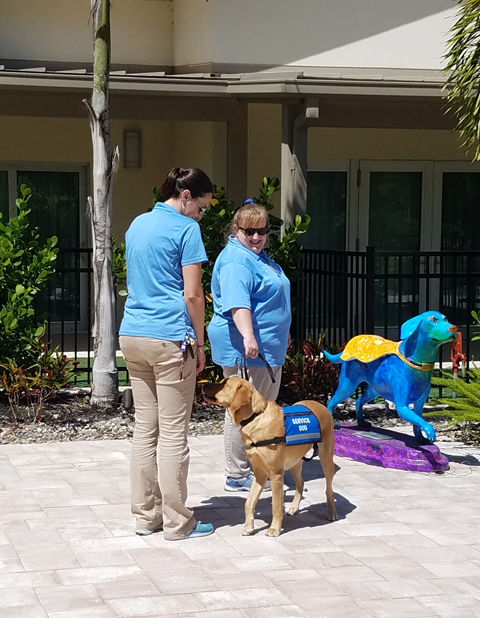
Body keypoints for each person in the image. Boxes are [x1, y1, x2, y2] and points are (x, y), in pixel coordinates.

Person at [119, 167, 215, 540]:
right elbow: (192, 294)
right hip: (170, 339)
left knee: (146, 429)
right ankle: (178, 522)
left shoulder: (137, 224)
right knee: (174, 433)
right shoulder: (186, 230)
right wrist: (200, 342)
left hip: (132, 335)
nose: (201, 215)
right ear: (187, 195)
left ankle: (146, 517)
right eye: (202, 207)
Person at [208, 200, 291, 491]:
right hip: (245, 349)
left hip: (267, 348)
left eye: (261, 231)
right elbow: (237, 303)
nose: (256, 237)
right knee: (241, 411)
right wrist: (249, 336)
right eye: (248, 232)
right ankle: (237, 474)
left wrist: (283, 332)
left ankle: (255, 467)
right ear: (236, 230)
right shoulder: (235, 261)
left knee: (259, 411)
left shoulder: (259, 257)